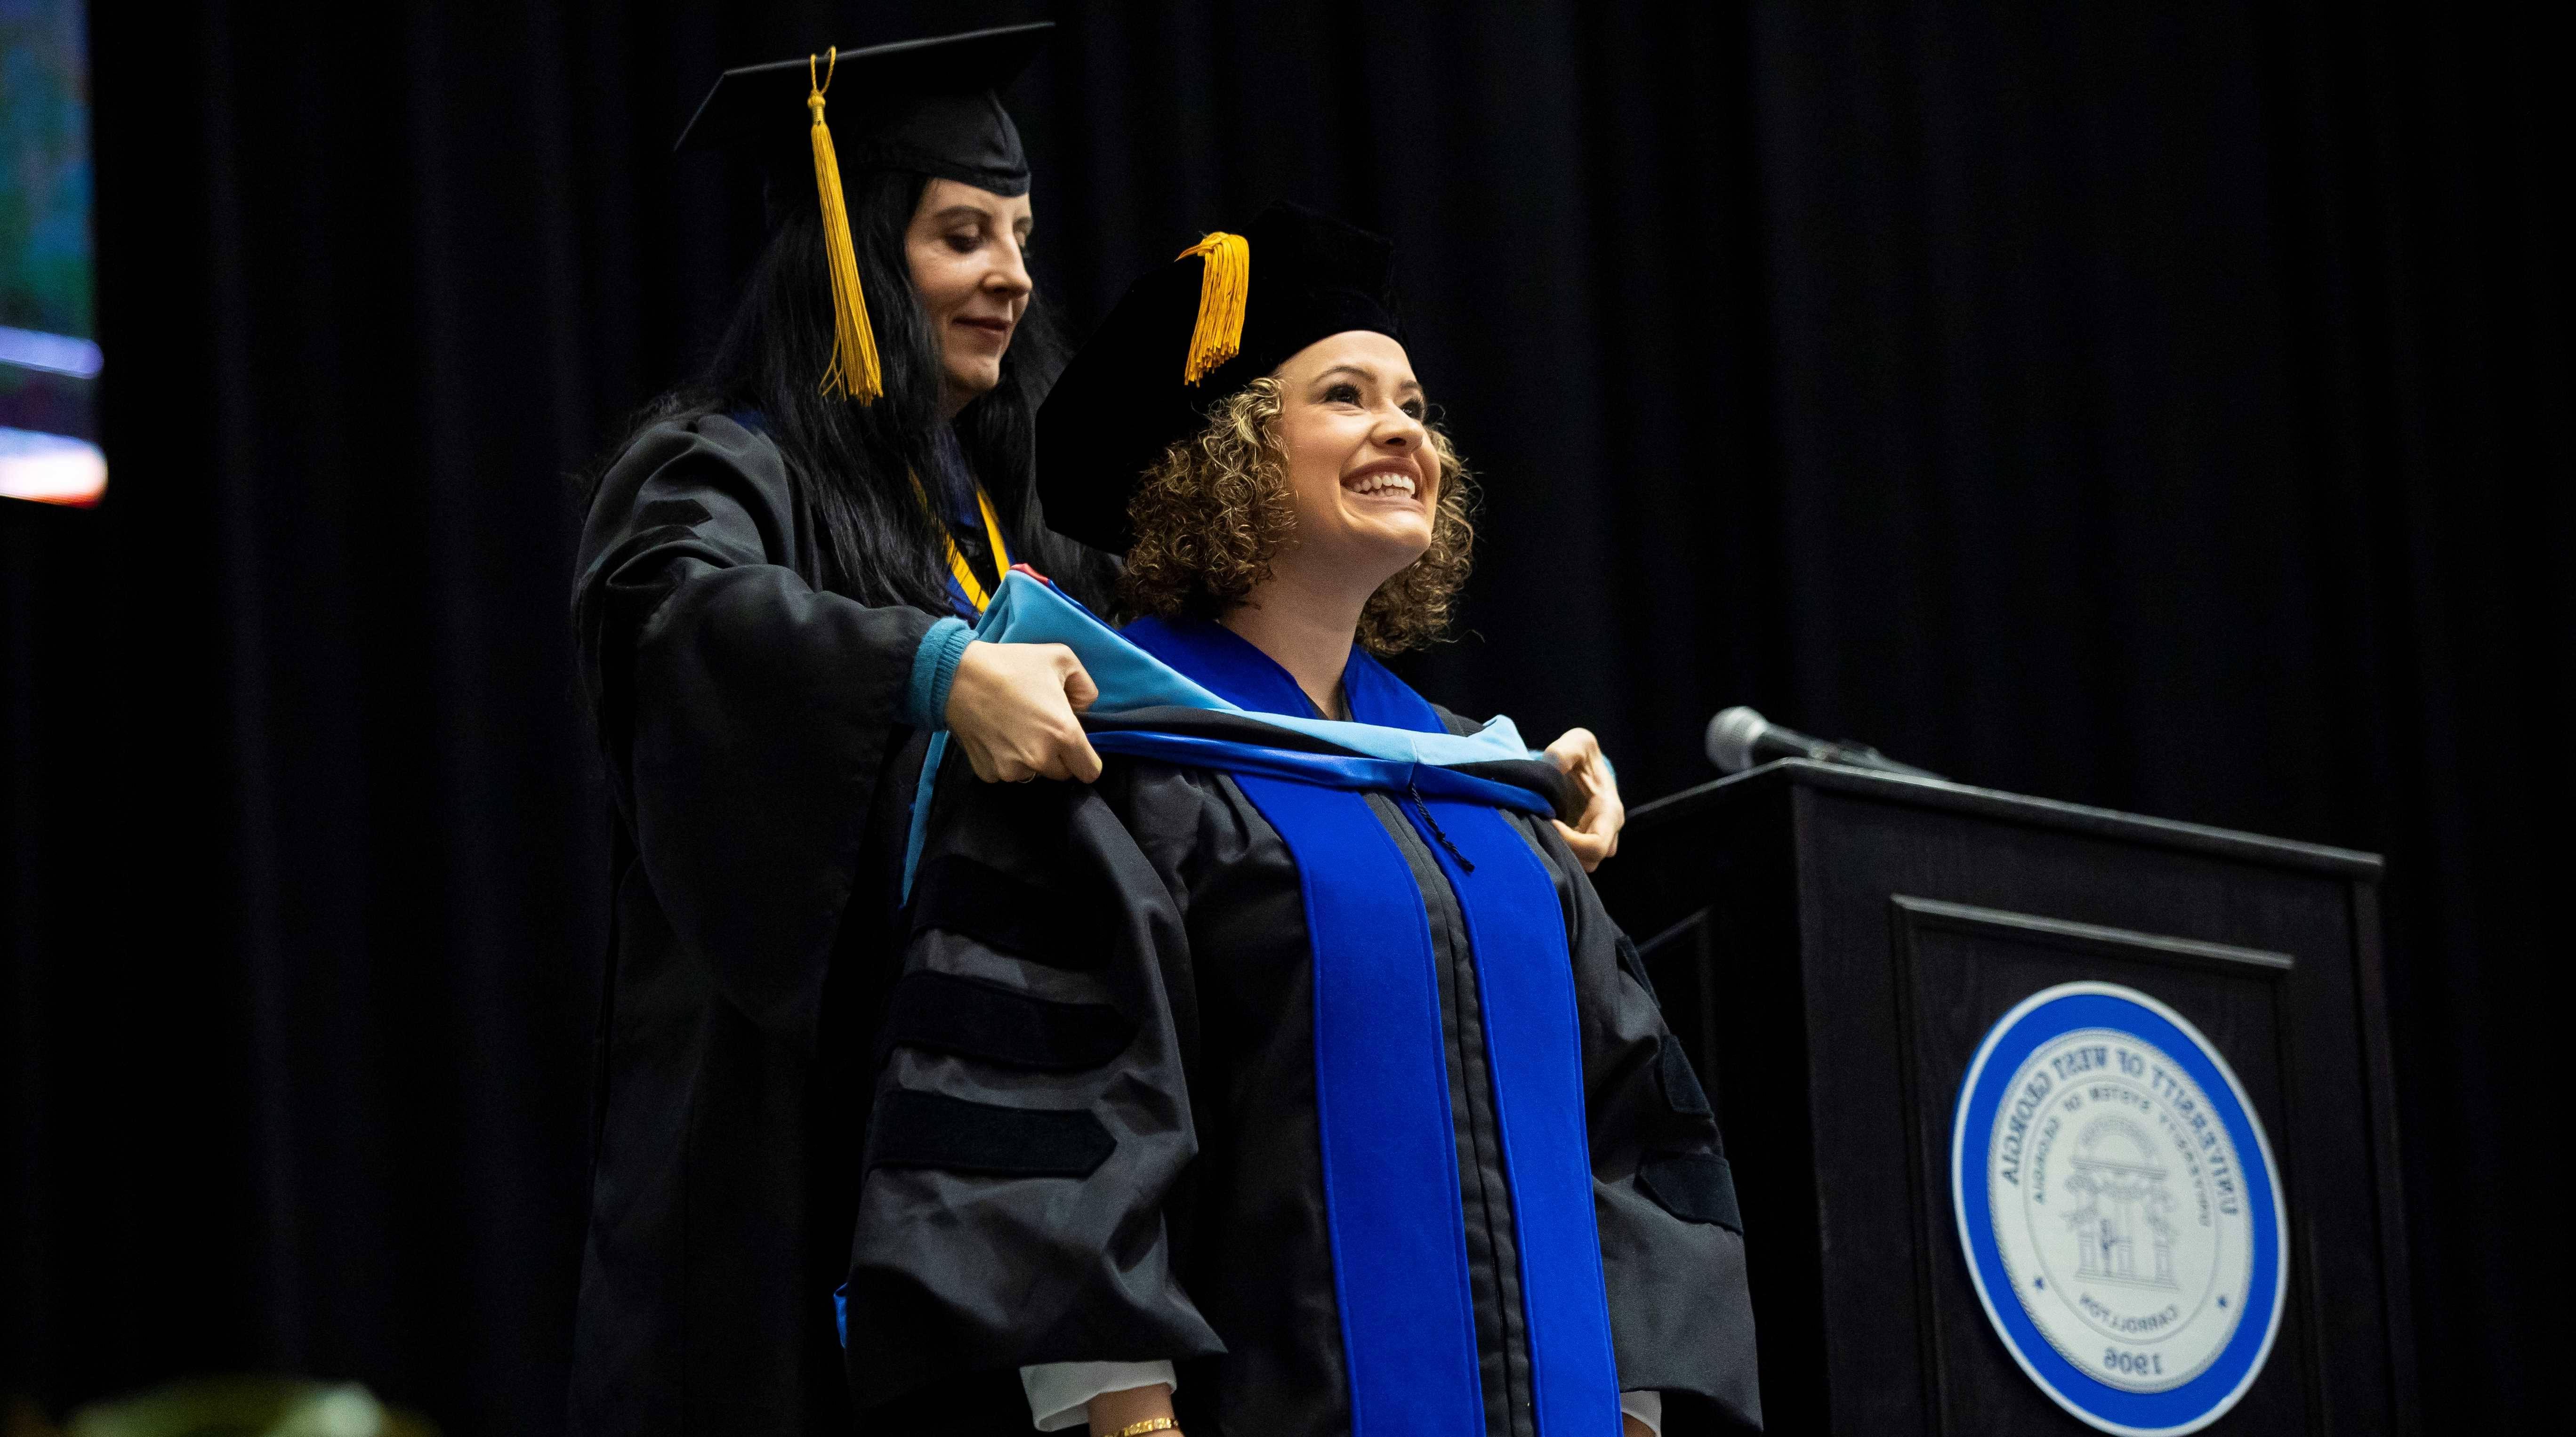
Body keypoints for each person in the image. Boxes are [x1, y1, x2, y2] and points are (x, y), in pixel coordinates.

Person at [843, 204, 1758, 1437]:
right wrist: (1131, 1422)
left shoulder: (1485, 792)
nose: (1403, 433)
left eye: (1417, 407)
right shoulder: (1114, 766)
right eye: (1345, 396)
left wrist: (1638, 1416)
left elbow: (1626, 1133)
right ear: (1223, 457)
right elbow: (1056, 1129)